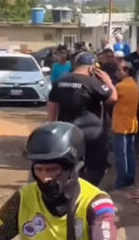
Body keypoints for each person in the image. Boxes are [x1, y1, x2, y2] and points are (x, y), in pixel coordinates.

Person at [0, 122, 117, 240]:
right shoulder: (23, 198)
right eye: (39, 170)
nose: (45, 178)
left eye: (52, 170)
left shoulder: (97, 203)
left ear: (73, 168)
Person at [48, 53, 118, 186]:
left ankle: (70, 188)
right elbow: (113, 98)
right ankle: (88, 189)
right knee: (96, 166)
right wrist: (108, 81)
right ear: (91, 68)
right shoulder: (93, 82)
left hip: (67, 131)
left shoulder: (60, 82)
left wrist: (52, 126)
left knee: (68, 163)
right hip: (92, 132)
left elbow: (52, 106)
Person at [112, 62, 139, 189]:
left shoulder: (120, 86)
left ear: (127, 71)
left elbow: (109, 99)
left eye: (119, 70)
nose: (116, 72)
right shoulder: (134, 84)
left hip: (121, 125)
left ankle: (121, 181)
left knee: (121, 155)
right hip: (132, 124)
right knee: (130, 153)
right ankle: (130, 178)